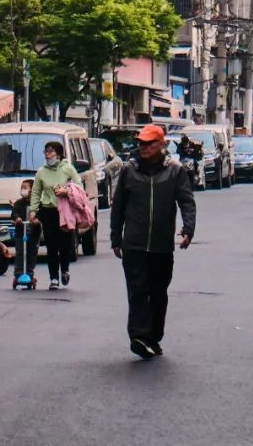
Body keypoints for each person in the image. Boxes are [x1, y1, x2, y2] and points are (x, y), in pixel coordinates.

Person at [110, 122, 196, 360]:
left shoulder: (175, 171)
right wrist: (116, 237)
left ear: (161, 144)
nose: (144, 147)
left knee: (158, 293)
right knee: (137, 291)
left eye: (149, 143)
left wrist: (188, 229)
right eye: (141, 143)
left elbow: (186, 201)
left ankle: (154, 336)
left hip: (161, 245)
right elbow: (118, 207)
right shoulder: (129, 171)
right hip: (134, 244)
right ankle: (138, 337)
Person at [29, 140, 79, 290]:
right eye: (45, 151)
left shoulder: (68, 169)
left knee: (65, 245)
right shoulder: (41, 172)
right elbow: (36, 192)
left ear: (58, 154)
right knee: (51, 246)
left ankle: (65, 270)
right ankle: (54, 278)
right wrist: (33, 211)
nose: (47, 154)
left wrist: (66, 191)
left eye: (50, 151)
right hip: (48, 211)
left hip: (65, 211)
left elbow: (79, 187)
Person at [10, 179, 39, 289]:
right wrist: (17, 218)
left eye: (25, 188)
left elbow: (40, 214)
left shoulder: (37, 203)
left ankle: (30, 274)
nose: (23, 190)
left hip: (33, 234)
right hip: (20, 233)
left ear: (32, 190)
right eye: (22, 188)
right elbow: (14, 213)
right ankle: (18, 274)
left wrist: (37, 220)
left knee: (31, 254)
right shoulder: (18, 203)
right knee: (20, 253)